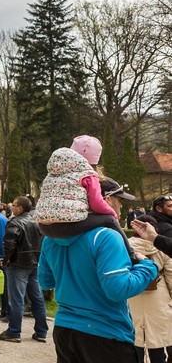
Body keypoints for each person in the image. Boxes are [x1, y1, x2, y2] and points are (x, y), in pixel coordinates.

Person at [38, 178, 158, 361]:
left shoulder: (50, 239)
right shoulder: (106, 236)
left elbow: (46, 282)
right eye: (120, 200)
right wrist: (149, 267)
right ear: (106, 200)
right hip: (104, 332)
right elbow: (117, 290)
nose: (120, 206)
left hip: (65, 330)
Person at [36, 141, 133, 259]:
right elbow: (96, 203)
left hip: (44, 226)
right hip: (69, 226)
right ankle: (131, 254)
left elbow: (44, 277)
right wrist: (112, 215)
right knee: (110, 219)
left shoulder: (52, 176)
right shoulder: (88, 175)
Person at [0, 196, 48, 343]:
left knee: (16, 299)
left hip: (18, 265)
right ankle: (41, 331)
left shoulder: (15, 222)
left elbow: (9, 245)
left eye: (14, 205)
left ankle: (14, 331)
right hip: (34, 263)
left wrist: (5, 261)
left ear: (20, 208)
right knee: (37, 298)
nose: (12, 207)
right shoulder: (36, 221)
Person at [127, 215, 172, 363]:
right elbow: (171, 276)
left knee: (135, 341)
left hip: (131, 295)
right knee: (158, 343)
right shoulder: (162, 248)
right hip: (159, 300)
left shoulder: (124, 246)